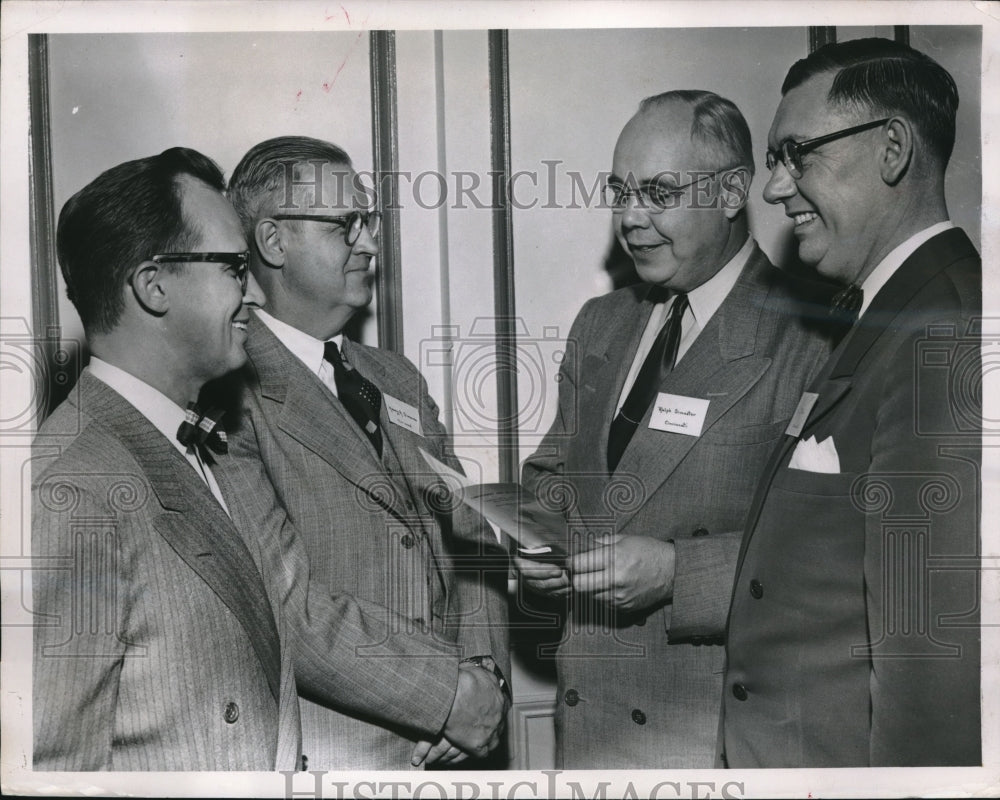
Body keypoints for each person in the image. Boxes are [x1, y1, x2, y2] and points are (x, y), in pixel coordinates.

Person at [513, 91, 835, 768]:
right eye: (621, 191)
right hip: (591, 724)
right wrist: (538, 542)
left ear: (728, 192)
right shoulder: (602, 323)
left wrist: (680, 574)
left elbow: (833, 549)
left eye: (658, 192)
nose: (631, 218)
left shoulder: (816, 332)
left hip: (716, 729)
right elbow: (554, 475)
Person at [722, 38, 981, 767]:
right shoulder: (887, 313)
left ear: (892, 148)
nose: (774, 189)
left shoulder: (947, 331)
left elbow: (934, 680)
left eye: (798, 153)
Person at [219, 136, 510, 770]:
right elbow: (283, 607)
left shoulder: (396, 379)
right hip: (337, 756)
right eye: (345, 225)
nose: (371, 244)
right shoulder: (228, 395)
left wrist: (484, 674)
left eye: (367, 221)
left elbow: (468, 536)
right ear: (273, 242)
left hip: (457, 745)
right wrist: (443, 697)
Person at [31, 147, 302, 770]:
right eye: (235, 267)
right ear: (154, 287)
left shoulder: (198, 442)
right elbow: (52, 772)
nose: (257, 292)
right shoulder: (71, 489)